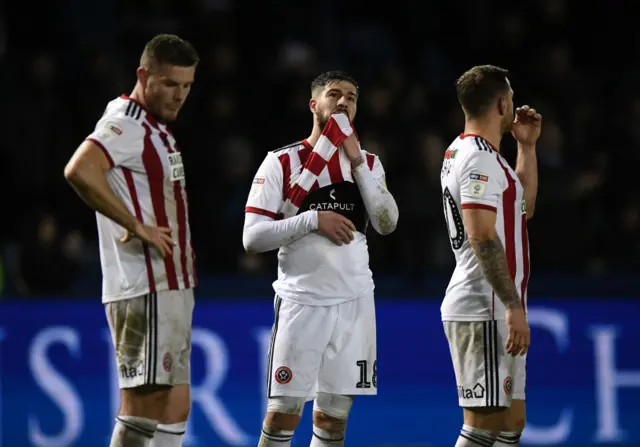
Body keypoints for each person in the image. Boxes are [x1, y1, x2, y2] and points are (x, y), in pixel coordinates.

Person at [243, 70, 399, 446]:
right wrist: (313, 220)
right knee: (282, 416)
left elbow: (386, 223)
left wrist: (358, 163)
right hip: (302, 302)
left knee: (332, 421)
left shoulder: (369, 163)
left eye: (351, 96)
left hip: (355, 301)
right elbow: (252, 238)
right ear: (314, 105)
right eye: (334, 94)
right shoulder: (282, 162)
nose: (344, 101)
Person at [64, 34, 199, 447]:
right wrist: (136, 226)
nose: (180, 95)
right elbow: (79, 170)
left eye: (188, 86)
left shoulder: (151, 125)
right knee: (142, 407)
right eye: (171, 84)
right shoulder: (127, 124)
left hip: (169, 284)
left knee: (175, 405)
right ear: (144, 75)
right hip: (145, 284)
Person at [439, 65, 541, 447]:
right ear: (502, 103)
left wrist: (527, 147)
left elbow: (522, 209)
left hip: (495, 305)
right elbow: (482, 237)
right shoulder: (479, 160)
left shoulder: (470, 153)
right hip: (485, 304)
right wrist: (512, 304)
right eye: (512, 99)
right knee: (483, 425)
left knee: (511, 422)